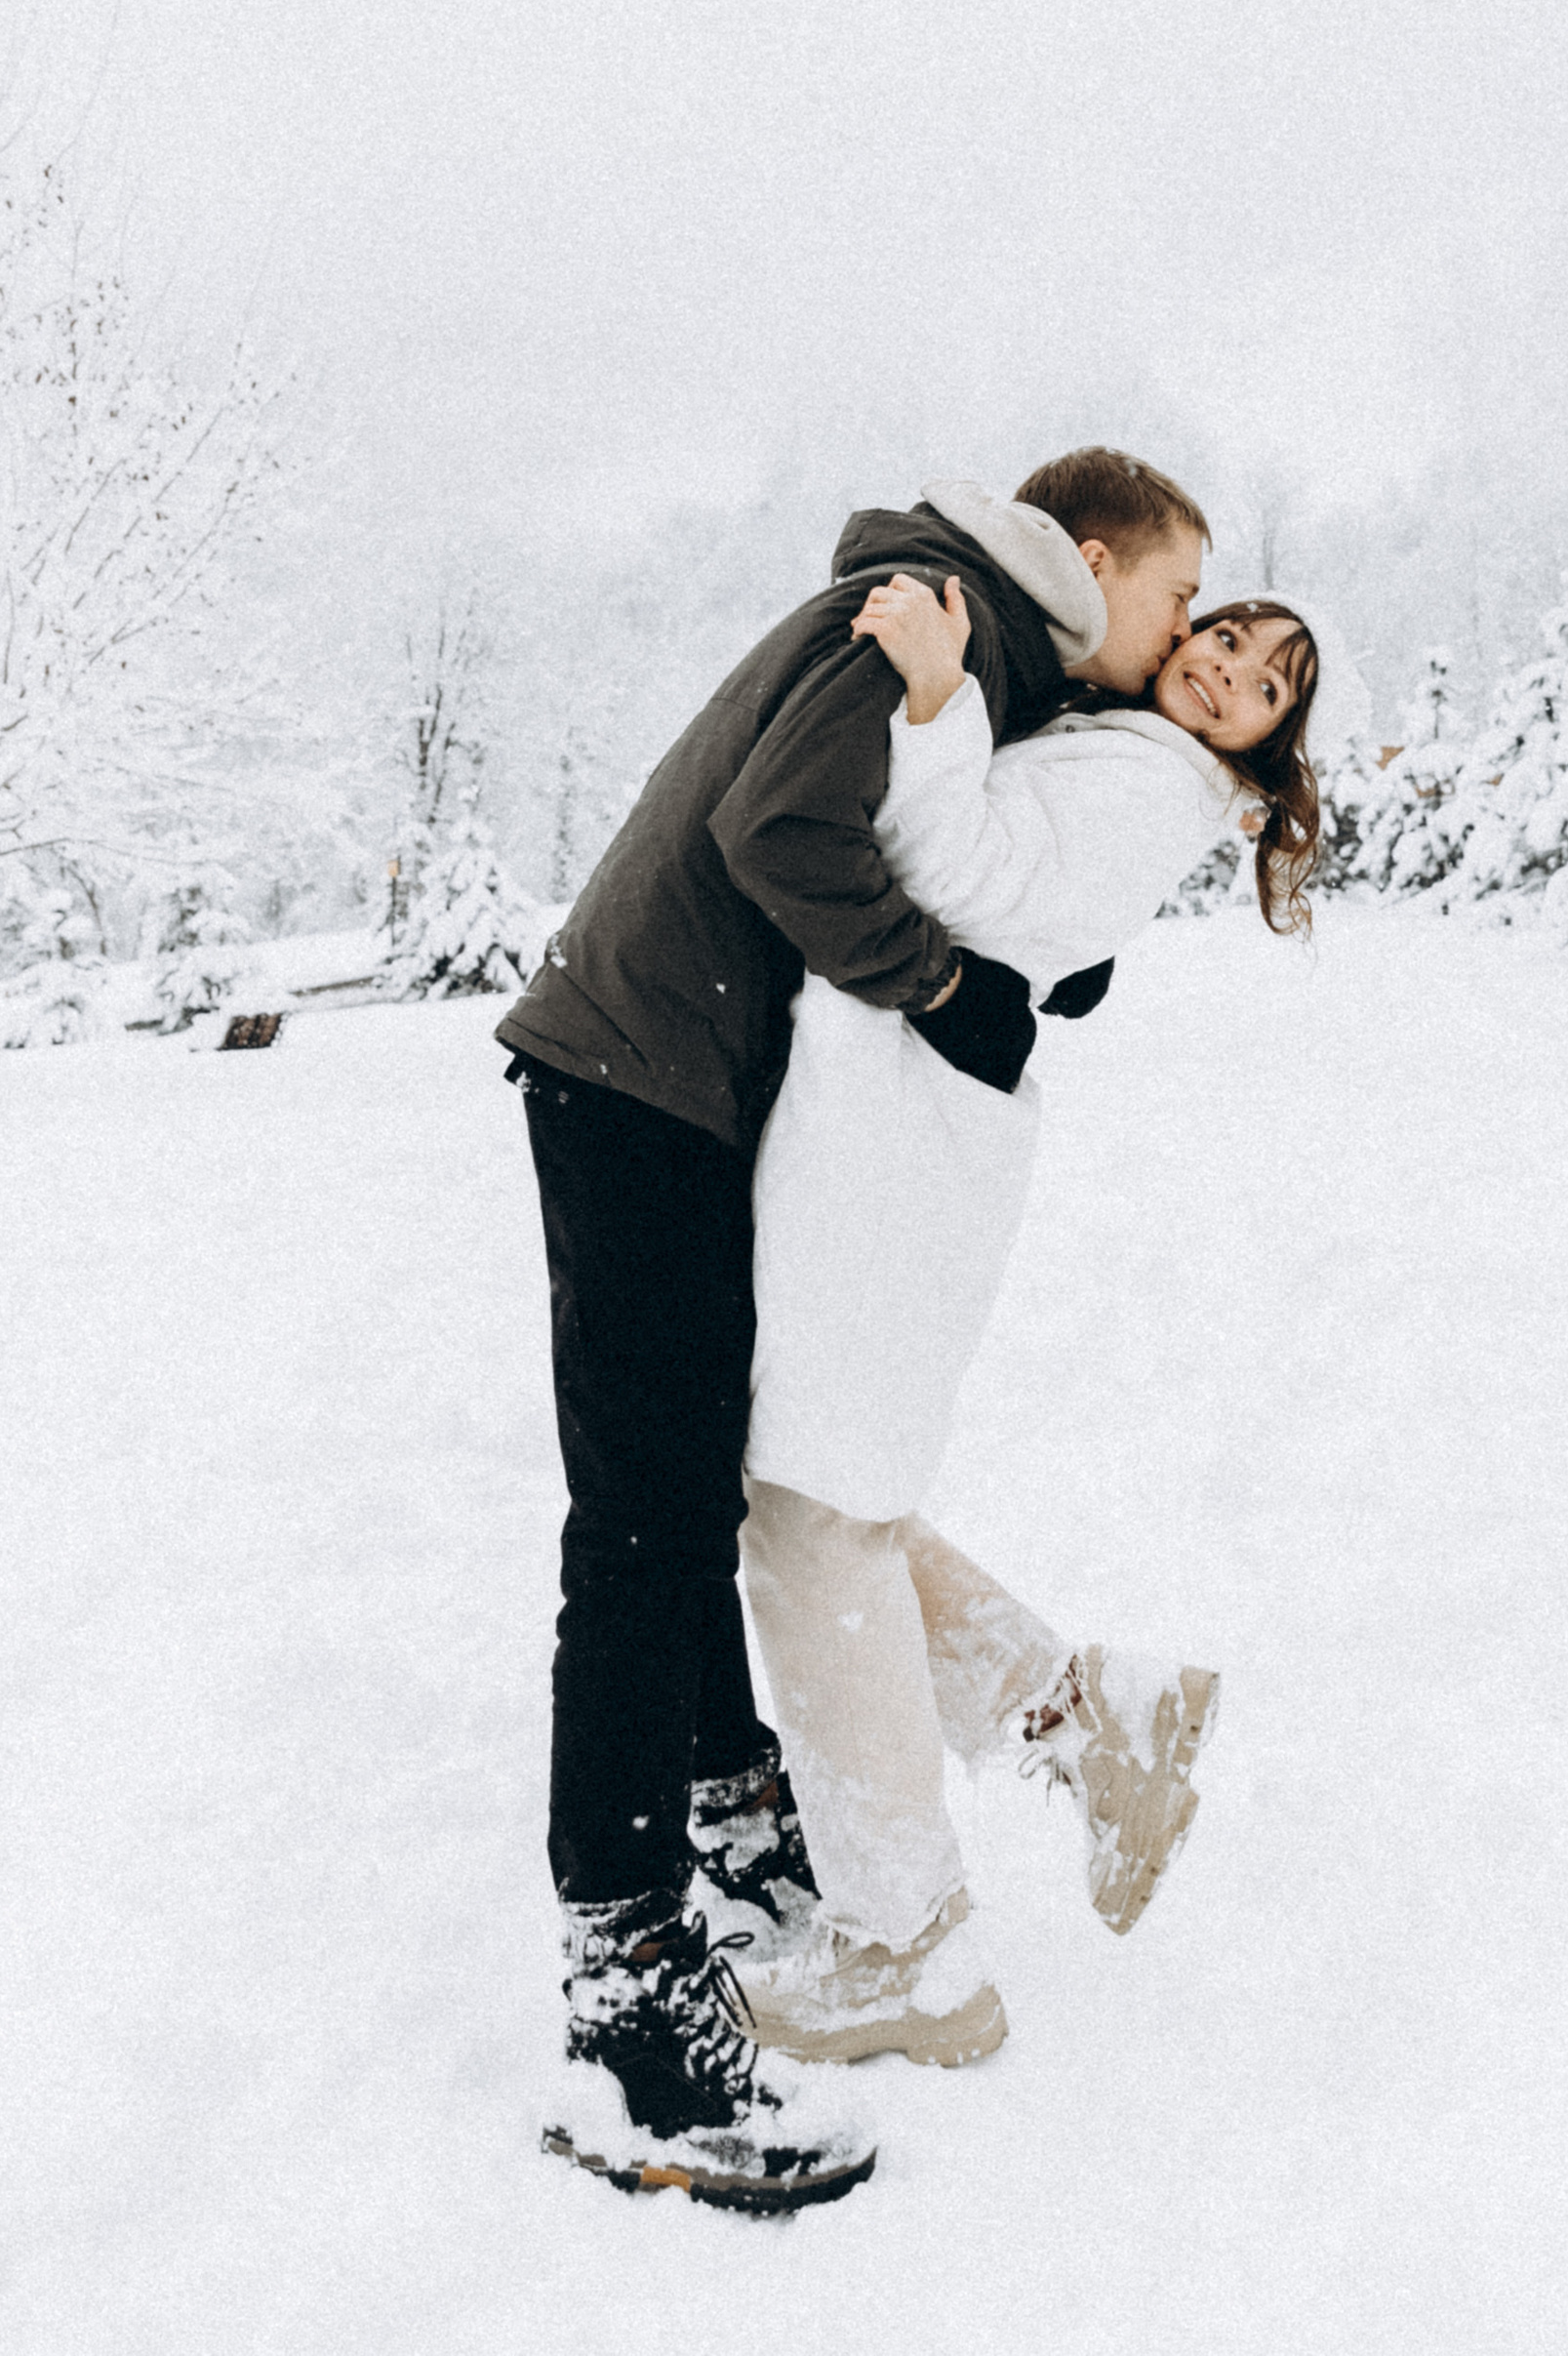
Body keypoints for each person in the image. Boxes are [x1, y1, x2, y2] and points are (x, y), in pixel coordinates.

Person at [497, 451, 1212, 2209]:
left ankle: (739, 1811)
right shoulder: (935, 612)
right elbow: (782, 832)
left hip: (674, 1080)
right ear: (1100, 560)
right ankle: (631, 1996)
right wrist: (951, 988)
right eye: (1183, 597)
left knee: (720, 1483)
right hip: (640, 1074)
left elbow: (928, 833)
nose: (1186, 630)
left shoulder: (982, 649)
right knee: (654, 1527)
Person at [733, 573, 1321, 2070]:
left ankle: (907, 1952)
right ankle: (1086, 1720)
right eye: (1227, 634)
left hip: (899, 1155)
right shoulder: (1137, 763)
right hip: (889, 1139)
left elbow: (958, 877)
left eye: (1267, 680)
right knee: (818, 1501)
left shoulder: (1148, 788)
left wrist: (934, 698)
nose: (1228, 665)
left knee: (818, 1519)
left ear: (1269, 746)